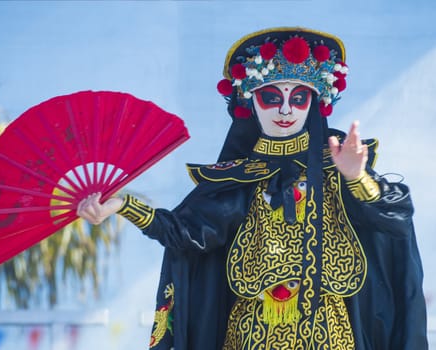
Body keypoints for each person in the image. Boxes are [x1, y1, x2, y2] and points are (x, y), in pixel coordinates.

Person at [77, 27, 428, 349]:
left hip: (330, 332)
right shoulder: (239, 177)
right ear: (250, 103)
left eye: (299, 98)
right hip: (250, 333)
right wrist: (122, 205)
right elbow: (186, 233)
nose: (286, 110)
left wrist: (357, 177)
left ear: (314, 103)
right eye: (272, 98)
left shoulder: (337, 161)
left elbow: (395, 221)